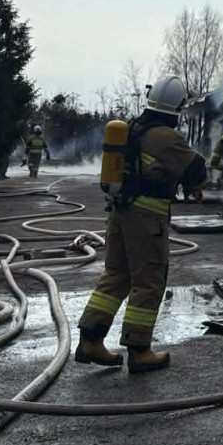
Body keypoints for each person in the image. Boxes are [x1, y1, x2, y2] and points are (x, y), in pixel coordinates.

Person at [74, 75, 208, 374]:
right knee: (149, 280)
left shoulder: (133, 127)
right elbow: (197, 172)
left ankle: (90, 341)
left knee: (117, 275)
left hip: (120, 212)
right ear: (177, 107)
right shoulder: (167, 137)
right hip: (146, 220)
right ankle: (139, 349)